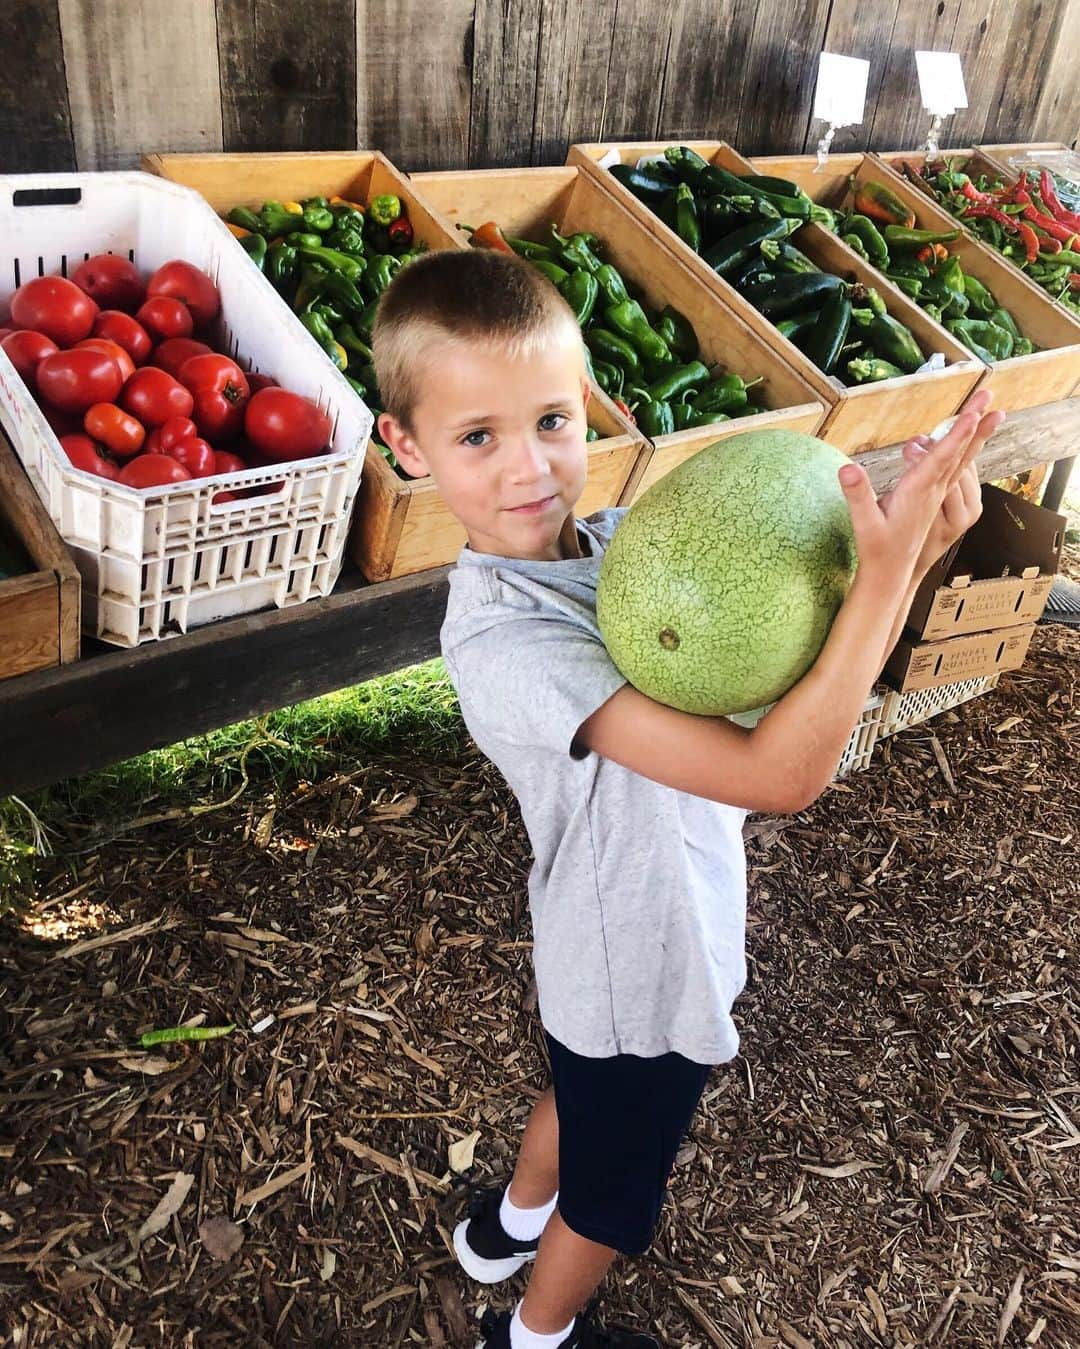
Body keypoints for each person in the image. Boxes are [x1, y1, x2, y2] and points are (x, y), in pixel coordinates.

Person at [372, 249, 1002, 1349]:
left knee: (579, 1096)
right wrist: (888, 579)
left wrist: (904, 561)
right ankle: (536, 1334)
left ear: (592, 409)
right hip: (641, 958)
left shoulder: (622, 549)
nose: (529, 468)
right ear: (408, 447)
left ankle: (500, 1230)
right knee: (615, 1195)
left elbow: (780, 707)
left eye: (554, 421)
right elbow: (784, 774)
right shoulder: (507, 642)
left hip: (607, 955)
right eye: (478, 436)